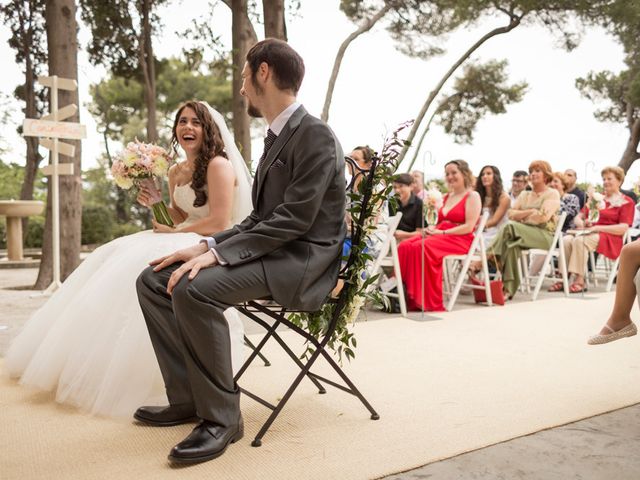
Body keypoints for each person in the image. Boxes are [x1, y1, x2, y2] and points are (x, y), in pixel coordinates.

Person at [135, 39, 346, 465]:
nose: (242, 88)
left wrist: (217, 258)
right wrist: (205, 243)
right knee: (153, 279)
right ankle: (188, 398)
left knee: (194, 289)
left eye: (244, 77)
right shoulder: (276, 137)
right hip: (274, 251)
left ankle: (222, 418)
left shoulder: (315, 134)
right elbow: (256, 220)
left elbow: (294, 221)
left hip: (301, 262)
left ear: (262, 72)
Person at [5, 101, 253, 417]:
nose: (188, 127)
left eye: (196, 122)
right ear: (175, 129)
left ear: (208, 129)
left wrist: (173, 227)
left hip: (207, 245)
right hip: (182, 235)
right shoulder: (176, 171)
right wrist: (157, 202)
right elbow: (175, 216)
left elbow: (219, 223)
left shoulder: (219, 165)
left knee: (142, 266)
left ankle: (172, 381)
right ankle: (99, 365)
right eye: (182, 122)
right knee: (110, 260)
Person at [397, 160, 481, 312]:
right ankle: (404, 295)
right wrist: (431, 228)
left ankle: (425, 300)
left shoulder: (472, 196)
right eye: (447, 173)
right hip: (440, 234)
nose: (450, 176)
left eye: (454, 172)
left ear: (464, 173)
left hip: (460, 238)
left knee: (422, 246)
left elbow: (469, 226)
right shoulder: (446, 196)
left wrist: (442, 232)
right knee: (405, 245)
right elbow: (439, 220)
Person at [489, 161, 560, 299]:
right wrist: (531, 211)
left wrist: (521, 216)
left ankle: (488, 256)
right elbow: (510, 214)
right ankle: (508, 290)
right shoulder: (524, 195)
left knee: (510, 226)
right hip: (523, 233)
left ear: (546, 175)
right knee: (511, 246)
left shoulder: (552, 194)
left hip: (544, 236)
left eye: (537, 171)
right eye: (531, 171)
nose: (533, 174)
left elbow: (542, 218)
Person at [559, 166, 634, 294]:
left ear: (619, 181)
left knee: (579, 241)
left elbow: (623, 227)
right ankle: (564, 278)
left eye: (609, 179)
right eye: (604, 179)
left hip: (610, 237)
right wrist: (583, 222)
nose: (605, 182)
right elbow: (579, 217)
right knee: (566, 240)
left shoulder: (627, 202)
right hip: (589, 232)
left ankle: (580, 280)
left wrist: (597, 227)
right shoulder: (597, 199)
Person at [587, 240, 639, 344]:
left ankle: (620, 318)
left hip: (609, 237)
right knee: (570, 240)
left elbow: (623, 227)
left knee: (629, 251)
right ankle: (576, 278)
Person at [475, 165, 510, 246]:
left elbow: (494, 221)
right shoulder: (479, 196)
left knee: (477, 240)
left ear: (496, 177)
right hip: (480, 229)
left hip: (495, 232)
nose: (485, 176)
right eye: (482, 174)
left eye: (488, 173)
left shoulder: (504, 197)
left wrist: (477, 228)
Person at [390, 173, 425, 241]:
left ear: (411, 187)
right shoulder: (392, 202)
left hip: (412, 241)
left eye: (401, 186)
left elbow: (420, 232)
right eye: (395, 187)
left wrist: (403, 234)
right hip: (392, 240)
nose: (397, 190)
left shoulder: (419, 204)